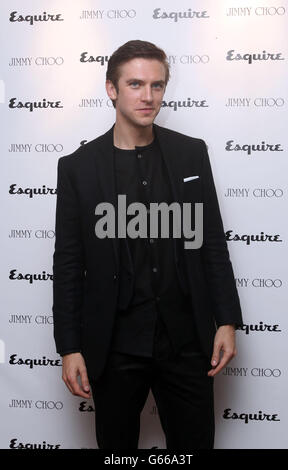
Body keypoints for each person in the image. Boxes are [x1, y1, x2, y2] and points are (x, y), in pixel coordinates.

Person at [52, 39, 243, 450]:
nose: (148, 96)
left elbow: (211, 240)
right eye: (136, 84)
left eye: (157, 86)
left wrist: (226, 319)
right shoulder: (77, 169)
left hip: (187, 340)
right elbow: (68, 264)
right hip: (114, 343)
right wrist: (69, 348)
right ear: (111, 89)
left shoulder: (190, 153)